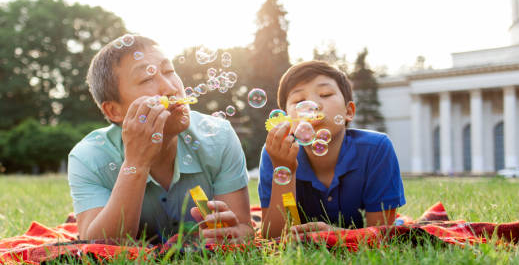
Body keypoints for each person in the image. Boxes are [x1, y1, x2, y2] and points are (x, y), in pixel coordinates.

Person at [68, 35, 253, 244]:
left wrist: (233, 233)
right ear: (113, 110)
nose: (171, 88)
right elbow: (96, 244)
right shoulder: (89, 157)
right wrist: (136, 164)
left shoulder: (218, 136)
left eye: (169, 71)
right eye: (147, 79)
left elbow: (244, 228)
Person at [259, 61, 406, 238]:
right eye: (299, 101)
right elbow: (273, 236)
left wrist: (337, 235)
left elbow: (383, 233)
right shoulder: (275, 153)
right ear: (286, 120)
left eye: (325, 94)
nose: (312, 106)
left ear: (349, 111)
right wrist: (285, 170)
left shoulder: (376, 148)